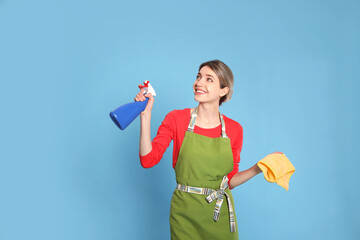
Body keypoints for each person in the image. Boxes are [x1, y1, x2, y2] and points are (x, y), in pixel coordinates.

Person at [135, 60, 270, 240]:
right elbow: (148, 160)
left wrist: (258, 168)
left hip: (219, 215)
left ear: (223, 91)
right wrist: (145, 115)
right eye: (198, 77)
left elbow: (229, 180)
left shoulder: (234, 129)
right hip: (184, 213)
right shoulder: (176, 119)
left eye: (209, 79)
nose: (199, 83)